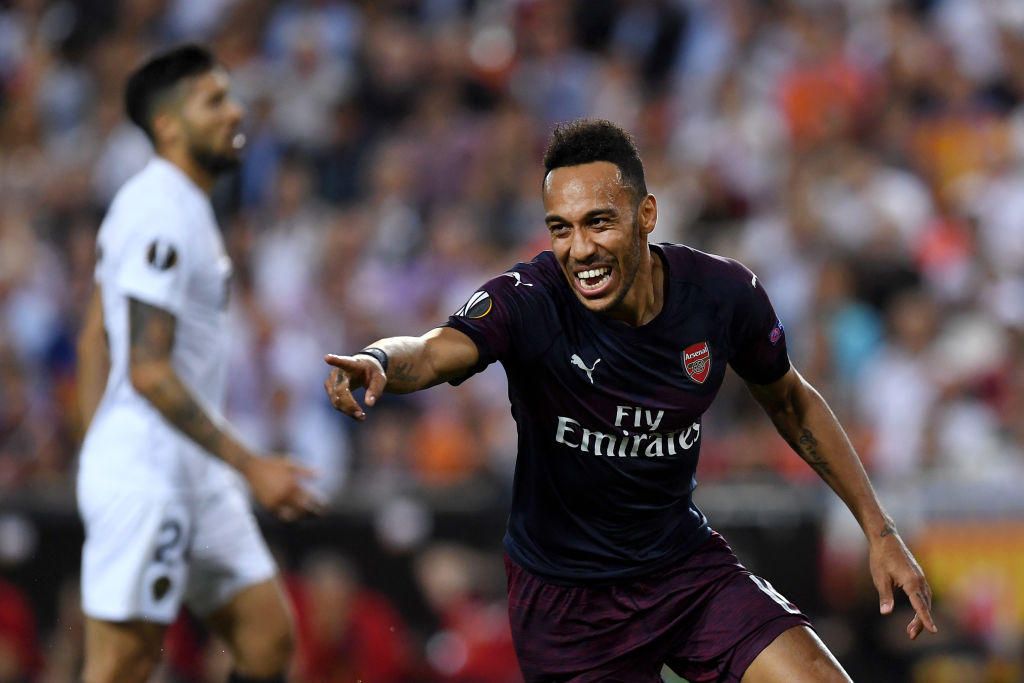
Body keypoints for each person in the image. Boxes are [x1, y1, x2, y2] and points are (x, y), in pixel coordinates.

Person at [324, 119, 937, 682]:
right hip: (568, 606)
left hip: (684, 569)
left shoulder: (721, 295)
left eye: (599, 222)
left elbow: (793, 403)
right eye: (561, 228)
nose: (580, 249)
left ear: (646, 215)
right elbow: (434, 350)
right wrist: (379, 359)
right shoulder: (530, 299)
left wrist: (878, 530)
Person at [76, 44, 320, 683]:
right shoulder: (159, 211)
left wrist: (94, 447)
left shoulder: (183, 206)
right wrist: (252, 466)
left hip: (193, 469)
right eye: (214, 101)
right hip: (150, 472)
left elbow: (94, 337)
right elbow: (147, 370)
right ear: (168, 125)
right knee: (121, 665)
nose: (235, 111)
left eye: (230, 96)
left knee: (267, 640)